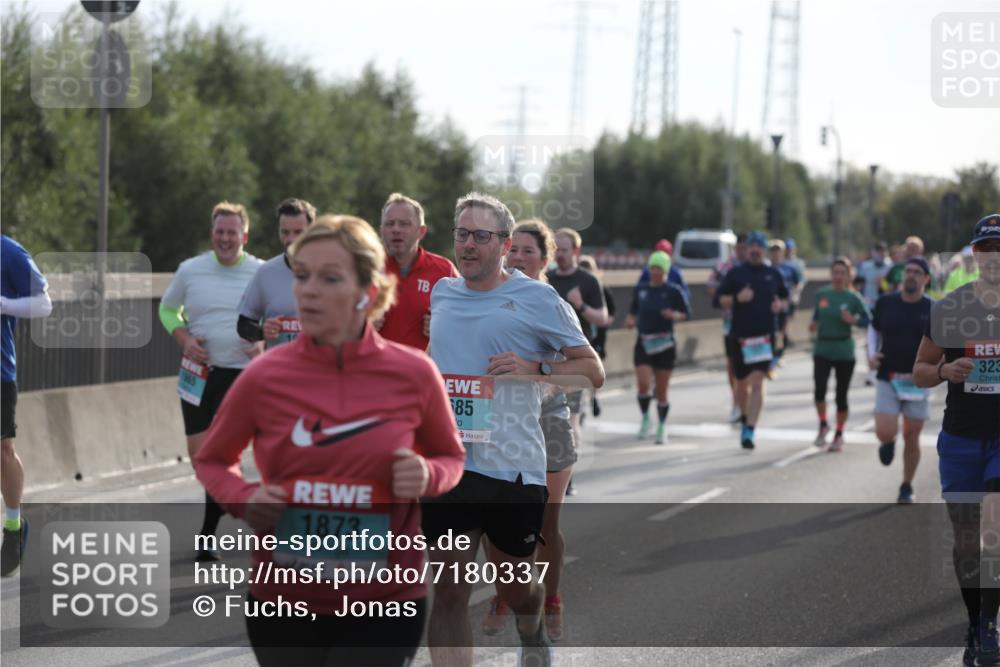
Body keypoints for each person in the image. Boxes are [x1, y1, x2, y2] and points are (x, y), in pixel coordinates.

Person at [194, 214, 465, 666]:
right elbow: (212, 460)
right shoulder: (265, 375)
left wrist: (427, 474)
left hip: (385, 601)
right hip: (283, 602)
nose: (309, 291)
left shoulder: (415, 373)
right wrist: (244, 499)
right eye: (302, 276)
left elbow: (450, 457)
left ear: (368, 293)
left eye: (330, 278)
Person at [423, 192, 604, 667]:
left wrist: (533, 370)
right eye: (462, 234)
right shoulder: (443, 293)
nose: (468, 244)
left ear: (504, 245)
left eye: (481, 235)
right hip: (451, 467)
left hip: (513, 468)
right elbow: (439, 359)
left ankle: (533, 627)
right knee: (448, 594)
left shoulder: (537, 299)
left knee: (516, 589)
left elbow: (593, 371)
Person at [481, 218, 578, 642]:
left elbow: (583, 368)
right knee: (492, 518)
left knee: (546, 523)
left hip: (547, 417)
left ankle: (551, 597)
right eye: (513, 249)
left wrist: (537, 371)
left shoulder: (550, 303)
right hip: (497, 419)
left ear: (545, 259)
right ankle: (506, 592)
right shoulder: (485, 297)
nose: (518, 258)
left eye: (528, 251)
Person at [913, 214, 1000, 667]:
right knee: (968, 540)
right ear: (974, 255)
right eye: (986, 249)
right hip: (961, 438)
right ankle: (975, 621)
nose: (994, 257)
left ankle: (989, 627)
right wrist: (945, 370)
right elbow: (920, 371)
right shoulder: (950, 308)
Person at [159, 201, 264, 561]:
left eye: (232, 232)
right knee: (200, 456)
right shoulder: (191, 270)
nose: (225, 238)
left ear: (244, 236)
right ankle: (224, 508)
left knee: (219, 453)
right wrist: (185, 340)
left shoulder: (259, 272)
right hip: (198, 374)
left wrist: (262, 343)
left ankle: (207, 535)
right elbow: (167, 309)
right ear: (212, 234)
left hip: (242, 375)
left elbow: (278, 316)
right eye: (220, 232)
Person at [0, 235, 52, 577]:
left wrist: (3, 304)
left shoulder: (8, 252)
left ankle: (13, 526)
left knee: (3, 451)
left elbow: (44, 304)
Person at [868, 256, 932, 503]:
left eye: (917, 272)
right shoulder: (886, 302)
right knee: (885, 431)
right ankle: (888, 442)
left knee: (912, 435)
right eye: (908, 271)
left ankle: (906, 485)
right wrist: (871, 354)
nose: (911, 275)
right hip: (889, 375)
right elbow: (874, 328)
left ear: (926, 279)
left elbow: (944, 341)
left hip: (918, 380)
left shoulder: (934, 309)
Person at [715, 231, 788, 450]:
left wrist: (780, 306)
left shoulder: (773, 274)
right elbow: (718, 300)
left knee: (758, 383)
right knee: (742, 384)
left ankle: (750, 429)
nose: (755, 250)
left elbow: (785, 298)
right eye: (751, 247)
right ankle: (745, 416)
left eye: (759, 247)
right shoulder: (736, 273)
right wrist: (737, 298)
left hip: (764, 338)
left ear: (763, 250)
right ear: (747, 250)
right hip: (740, 337)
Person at [546, 228, 608, 463]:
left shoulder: (588, 281)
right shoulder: (545, 279)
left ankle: (567, 471)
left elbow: (602, 318)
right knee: (545, 418)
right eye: (556, 250)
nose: (559, 254)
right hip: (546, 359)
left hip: (576, 360)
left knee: (570, 418)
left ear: (576, 251)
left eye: (564, 250)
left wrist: (580, 304)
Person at [624, 251, 690, 444]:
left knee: (661, 391)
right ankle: (645, 418)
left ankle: (662, 425)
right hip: (644, 342)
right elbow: (633, 312)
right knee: (643, 384)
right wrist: (630, 321)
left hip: (665, 344)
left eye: (659, 268)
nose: (655, 272)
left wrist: (673, 315)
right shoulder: (641, 290)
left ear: (666, 270)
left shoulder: (673, 291)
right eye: (652, 268)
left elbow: (687, 314)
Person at [378, 192, 458, 350]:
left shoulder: (444, 270)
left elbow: (468, 320)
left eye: (404, 224)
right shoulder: (365, 268)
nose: (396, 229)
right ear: (381, 230)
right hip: (375, 364)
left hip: (423, 364)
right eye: (390, 223)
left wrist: (446, 325)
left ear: (421, 231)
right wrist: (361, 325)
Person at [809, 257, 870, 451]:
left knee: (840, 396)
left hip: (844, 351)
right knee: (819, 391)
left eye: (842, 273)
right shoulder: (822, 294)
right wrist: (813, 325)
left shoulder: (853, 297)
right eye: (835, 272)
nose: (838, 276)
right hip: (823, 348)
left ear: (848, 276)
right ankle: (823, 424)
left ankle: (839, 433)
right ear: (831, 274)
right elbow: (816, 316)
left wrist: (853, 321)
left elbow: (868, 320)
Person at [237, 198, 315, 348]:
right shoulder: (266, 272)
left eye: (298, 232)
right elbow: (243, 325)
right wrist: (261, 331)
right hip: (280, 362)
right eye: (285, 232)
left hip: (320, 363)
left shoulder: (329, 271)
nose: (291, 239)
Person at [708, 233, 749, 423]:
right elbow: (712, 288)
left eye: (746, 248)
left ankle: (747, 402)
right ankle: (736, 402)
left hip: (754, 324)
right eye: (740, 248)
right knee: (733, 364)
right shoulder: (725, 267)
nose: (743, 252)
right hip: (730, 323)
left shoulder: (759, 266)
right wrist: (728, 298)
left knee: (752, 367)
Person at [578, 254, 614, 419]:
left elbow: (611, 312)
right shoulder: (574, 289)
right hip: (580, 337)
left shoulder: (600, 288)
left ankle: (593, 397)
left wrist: (600, 322)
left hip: (596, 337)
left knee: (593, 372)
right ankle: (582, 404)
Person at [858, 242, 890, 385]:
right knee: (871, 339)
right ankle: (871, 369)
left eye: (882, 251)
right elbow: (859, 284)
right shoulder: (865, 267)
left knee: (883, 339)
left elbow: (891, 288)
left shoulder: (890, 267)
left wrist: (883, 283)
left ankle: (880, 367)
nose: (880, 254)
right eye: (877, 251)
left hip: (885, 307)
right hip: (869, 306)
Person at [783, 238, 807, 348]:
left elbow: (801, 280)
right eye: (787, 249)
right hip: (782, 295)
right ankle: (784, 337)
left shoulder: (798, 263)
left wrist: (796, 292)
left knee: (789, 316)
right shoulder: (781, 261)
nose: (788, 251)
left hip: (793, 294)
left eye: (790, 249)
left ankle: (786, 336)